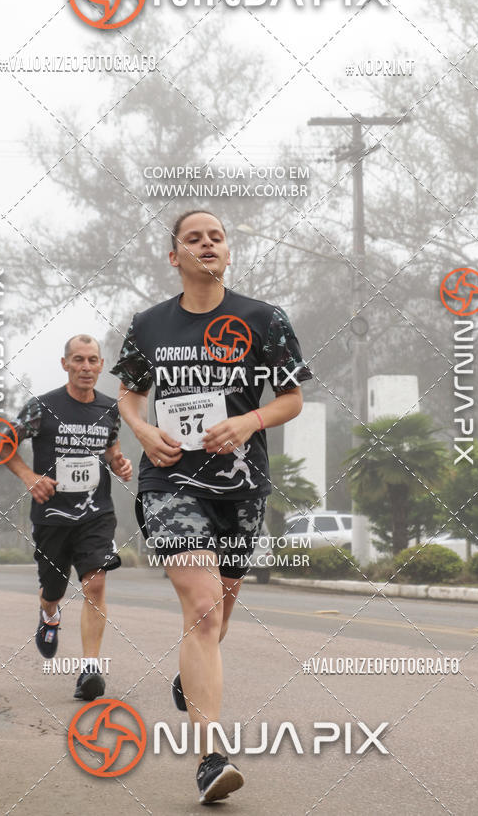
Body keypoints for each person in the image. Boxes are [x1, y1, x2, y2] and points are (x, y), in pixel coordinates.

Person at [112, 210, 312, 803]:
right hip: (171, 482)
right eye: (193, 238)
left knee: (218, 617)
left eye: (216, 237)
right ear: (174, 256)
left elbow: (292, 398)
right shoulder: (149, 325)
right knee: (201, 609)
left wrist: (249, 419)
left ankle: (189, 678)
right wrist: (143, 432)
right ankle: (209, 756)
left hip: (241, 486)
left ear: (228, 252)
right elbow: (128, 394)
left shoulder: (263, 320)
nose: (206, 244)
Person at [5, 334, 132, 701]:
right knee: (54, 590)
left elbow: (111, 448)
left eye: (93, 360)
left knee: (95, 583)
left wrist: (118, 463)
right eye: (78, 360)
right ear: (65, 365)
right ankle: (49, 614)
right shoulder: (41, 408)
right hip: (52, 516)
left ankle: (90, 670)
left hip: (96, 513)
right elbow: (4, 445)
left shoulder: (109, 408)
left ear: (101, 366)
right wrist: (30, 478)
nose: (86, 367)